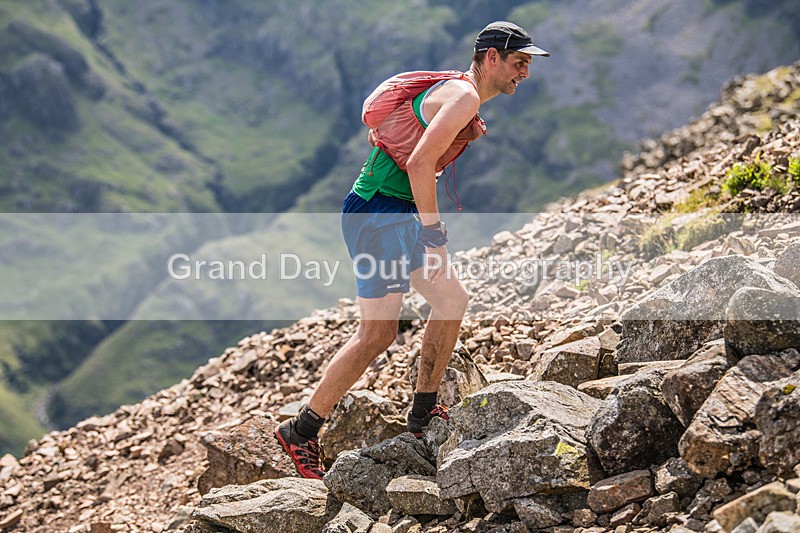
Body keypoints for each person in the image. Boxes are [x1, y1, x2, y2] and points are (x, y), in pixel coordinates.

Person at [275, 21, 549, 479]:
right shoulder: (462, 97)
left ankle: (423, 415)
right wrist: (434, 235)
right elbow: (420, 161)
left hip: (394, 211)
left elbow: (397, 145)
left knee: (451, 300)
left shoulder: (458, 93)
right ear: (492, 57)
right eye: (519, 63)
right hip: (379, 213)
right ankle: (300, 432)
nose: (525, 73)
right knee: (376, 334)